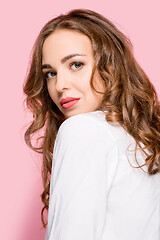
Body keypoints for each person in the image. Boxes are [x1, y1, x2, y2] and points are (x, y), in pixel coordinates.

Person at [23, 8, 160, 240]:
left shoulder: (82, 129)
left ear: (111, 66)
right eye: (50, 73)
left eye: (76, 64)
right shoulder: (143, 140)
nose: (60, 85)